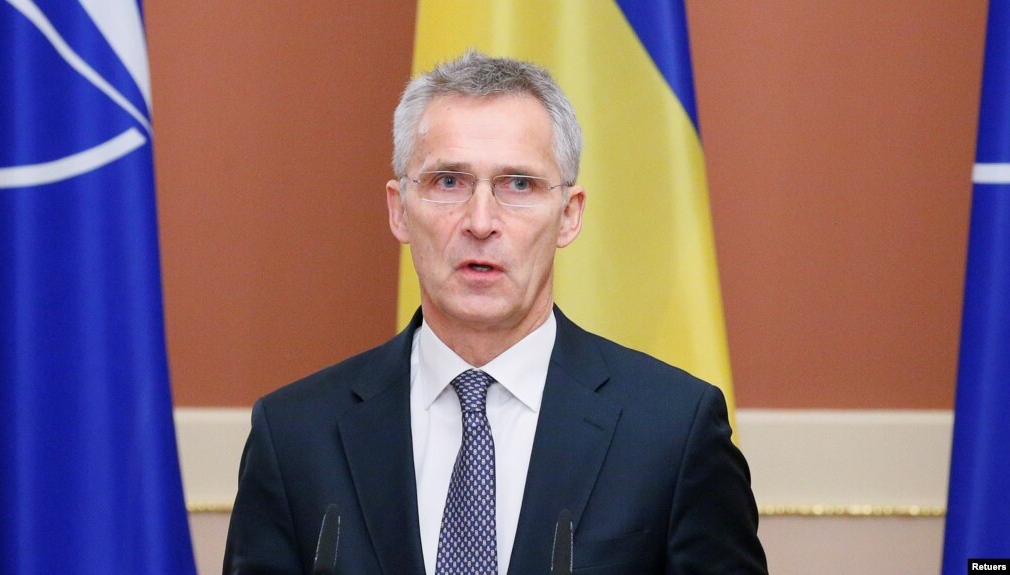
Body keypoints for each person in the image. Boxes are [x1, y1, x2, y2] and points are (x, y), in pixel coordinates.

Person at [223, 50, 768, 575]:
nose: (480, 221)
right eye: (449, 182)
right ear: (399, 210)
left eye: (518, 184)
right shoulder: (295, 436)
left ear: (569, 216)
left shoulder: (673, 431)